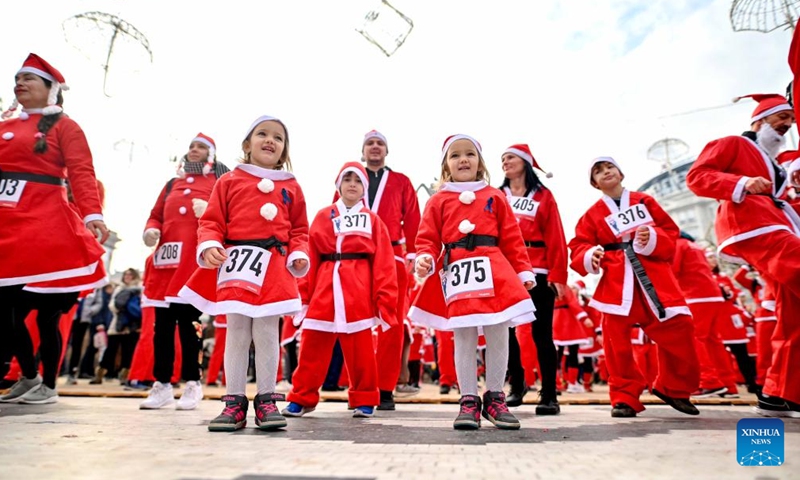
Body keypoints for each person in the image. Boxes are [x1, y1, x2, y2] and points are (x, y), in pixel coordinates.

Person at [179, 115, 309, 432]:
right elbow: (211, 221)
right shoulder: (229, 181)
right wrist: (209, 244)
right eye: (262, 134)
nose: (270, 140)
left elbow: (300, 229)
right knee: (236, 331)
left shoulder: (291, 186)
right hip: (235, 261)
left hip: (274, 266)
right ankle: (234, 402)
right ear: (246, 145)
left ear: (284, 150)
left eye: (278, 137)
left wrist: (299, 254)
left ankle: (266, 400)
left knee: (267, 332)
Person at [0, 53, 108, 404]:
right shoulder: (4, 126)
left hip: (44, 230)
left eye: (29, 78)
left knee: (44, 316)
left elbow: (81, 171)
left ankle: (46, 383)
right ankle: (29, 376)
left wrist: (93, 215)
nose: (20, 83)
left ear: (52, 90)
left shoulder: (65, 126)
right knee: (7, 310)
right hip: (6, 226)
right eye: (17, 78)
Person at [410, 134, 536, 430]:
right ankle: (468, 399)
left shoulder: (495, 196)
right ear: (446, 166)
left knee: (499, 331)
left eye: (469, 154)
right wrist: (424, 258)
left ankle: (495, 396)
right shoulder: (438, 200)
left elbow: (512, 238)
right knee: (463, 335)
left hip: (495, 267)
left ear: (480, 162)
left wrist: (523, 271)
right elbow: (426, 237)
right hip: (457, 270)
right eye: (455, 156)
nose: (463, 159)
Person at [686, 91, 800, 416]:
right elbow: (696, 178)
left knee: (793, 314)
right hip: (754, 225)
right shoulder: (733, 143)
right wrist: (743, 182)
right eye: (782, 119)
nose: (786, 125)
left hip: (776, 224)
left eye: (790, 121)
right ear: (760, 120)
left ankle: (779, 394)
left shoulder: (776, 165)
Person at [569, 157, 700, 418]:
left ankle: (672, 387)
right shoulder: (592, 214)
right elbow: (578, 245)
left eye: (609, 167)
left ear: (621, 172)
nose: (606, 172)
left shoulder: (644, 201)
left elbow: (670, 233)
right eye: (598, 171)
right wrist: (590, 256)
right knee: (615, 342)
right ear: (594, 183)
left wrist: (651, 237)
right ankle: (624, 397)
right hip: (617, 283)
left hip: (654, 278)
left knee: (680, 328)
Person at [283, 162, 397, 418]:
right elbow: (309, 257)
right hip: (324, 286)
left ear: (364, 188)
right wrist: (303, 297)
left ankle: (365, 398)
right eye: (347, 179)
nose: (352, 185)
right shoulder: (323, 216)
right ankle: (302, 396)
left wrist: (384, 300)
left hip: (357, 289)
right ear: (339, 185)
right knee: (312, 345)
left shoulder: (373, 221)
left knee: (361, 350)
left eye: (357, 180)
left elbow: (384, 263)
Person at [139, 133, 229, 410]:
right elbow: (156, 213)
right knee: (162, 328)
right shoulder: (172, 184)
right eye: (191, 146)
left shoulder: (219, 181)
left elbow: (230, 215)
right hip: (166, 264)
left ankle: (192, 383)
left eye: (201, 147)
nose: (194, 150)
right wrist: (151, 229)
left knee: (190, 326)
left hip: (192, 263)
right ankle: (162, 384)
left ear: (211, 154)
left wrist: (210, 210)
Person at [500, 143, 567, 413]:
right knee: (506, 331)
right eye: (502, 159)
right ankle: (517, 385)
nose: (505, 162)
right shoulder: (496, 194)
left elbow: (556, 236)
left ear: (525, 163)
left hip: (538, 268)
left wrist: (558, 274)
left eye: (511, 158)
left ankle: (549, 394)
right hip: (505, 269)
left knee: (542, 334)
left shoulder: (543, 196)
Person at [356, 130, 421, 410]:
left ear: (386, 151)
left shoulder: (401, 181)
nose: (375, 147)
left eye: (379, 143)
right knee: (356, 323)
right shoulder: (350, 178)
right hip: (357, 257)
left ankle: (384, 388)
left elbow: (414, 217)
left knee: (391, 324)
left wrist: (416, 253)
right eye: (370, 143)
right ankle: (361, 387)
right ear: (363, 150)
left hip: (394, 255)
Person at [670, 232, 738, 399]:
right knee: (713, 341)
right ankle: (728, 385)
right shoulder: (695, 246)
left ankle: (710, 383)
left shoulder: (678, 245)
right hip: (712, 295)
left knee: (695, 339)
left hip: (695, 296)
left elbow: (672, 271)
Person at [92, 268, 143, 384]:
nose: (127, 276)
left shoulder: (139, 289)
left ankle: (125, 376)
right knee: (111, 349)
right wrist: (122, 312)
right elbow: (112, 305)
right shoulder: (120, 288)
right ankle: (101, 373)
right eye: (126, 274)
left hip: (132, 325)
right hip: (118, 323)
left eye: (130, 275)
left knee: (128, 351)